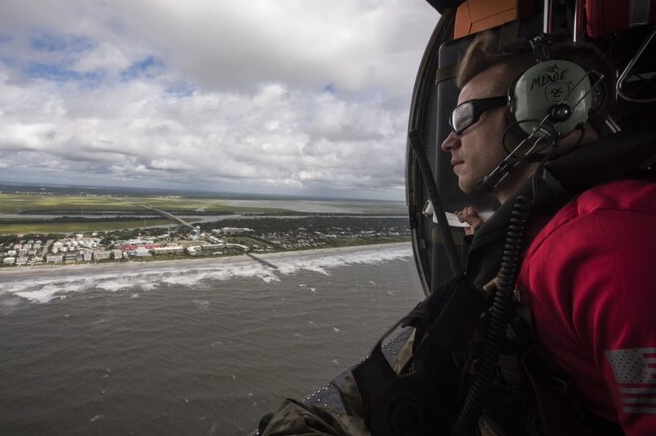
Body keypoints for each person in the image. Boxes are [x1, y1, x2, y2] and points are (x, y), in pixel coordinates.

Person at [260, 32, 656, 435]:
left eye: (464, 118)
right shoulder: (554, 230)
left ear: (544, 113)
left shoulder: (610, 244)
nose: (449, 142)